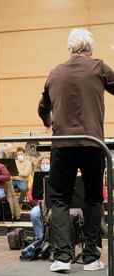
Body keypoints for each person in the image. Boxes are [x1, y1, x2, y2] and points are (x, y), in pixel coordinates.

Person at [38, 28, 114, 272]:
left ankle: (62, 257)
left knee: (59, 200)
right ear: (90, 48)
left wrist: (50, 123)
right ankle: (91, 258)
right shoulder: (99, 67)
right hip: (92, 144)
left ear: (70, 48)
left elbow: (42, 108)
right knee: (93, 199)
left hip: (62, 145)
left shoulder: (55, 72)